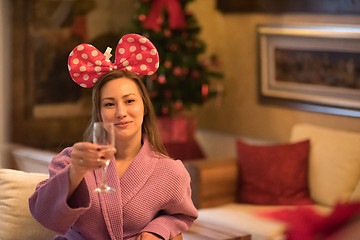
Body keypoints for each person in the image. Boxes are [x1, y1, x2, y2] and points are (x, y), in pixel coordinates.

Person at [29, 33, 198, 240]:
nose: (120, 112)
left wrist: (158, 229)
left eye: (129, 101)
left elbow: (181, 215)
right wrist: (75, 172)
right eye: (109, 104)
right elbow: (43, 214)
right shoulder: (70, 160)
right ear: (99, 113)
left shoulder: (170, 172)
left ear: (144, 106)